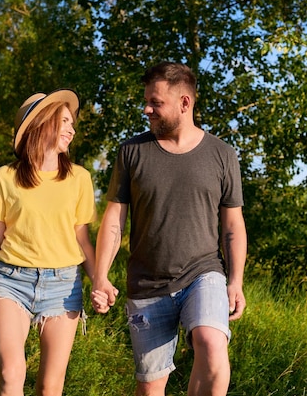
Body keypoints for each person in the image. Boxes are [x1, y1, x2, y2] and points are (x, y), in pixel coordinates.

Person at [91, 61, 247, 396]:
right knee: (150, 388)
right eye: (146, 101)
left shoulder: (222, 154)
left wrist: (235, 281)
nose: (146, 109)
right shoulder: (131, 152)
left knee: (212, 344)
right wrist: (101, 276)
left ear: (184, 103)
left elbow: (232, 225)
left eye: (155, 103)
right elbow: (114, 220)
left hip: (202, 273)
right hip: (147, 283)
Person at [0, 89, 97, 396]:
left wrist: (100, 281)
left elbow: (82, 238)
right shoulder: (5, 177)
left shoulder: (80, 178)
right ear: (42, 124)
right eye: (65, 121)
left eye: (72, 122)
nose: (72, 129)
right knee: (11, 374)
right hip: (11, 282)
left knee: (50, 388)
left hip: (63, 286)